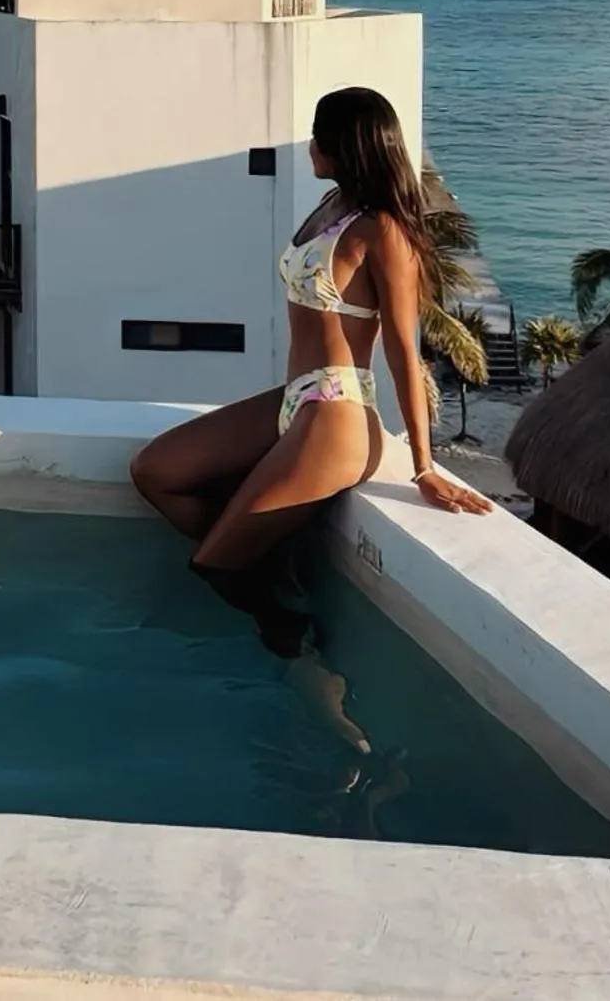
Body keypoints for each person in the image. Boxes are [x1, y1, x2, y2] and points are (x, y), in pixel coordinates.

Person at [131, 86, 492, 654]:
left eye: (318, 136)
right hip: (297, 399)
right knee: (156, 471)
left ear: (341, 145)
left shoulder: (384, 231)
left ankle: (291, 634)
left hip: (338, 414)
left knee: (213, 565)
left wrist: (425, 465)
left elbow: (403, 347)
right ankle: (267, 553)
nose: (310, 146)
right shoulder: (332, 207)